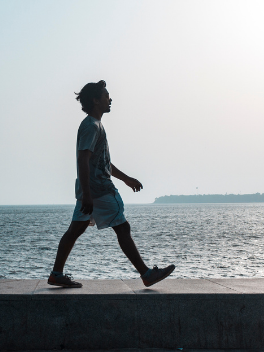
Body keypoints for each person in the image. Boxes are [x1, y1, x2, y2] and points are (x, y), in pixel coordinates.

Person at [48, 80, 175, 288]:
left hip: (91, 191)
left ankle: (56, 274)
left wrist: (125, 178)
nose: (110, 99)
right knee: (123, 228)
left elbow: (102, 161)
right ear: (96, 100)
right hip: (99, 191)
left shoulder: (95, 125)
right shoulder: (91, 126)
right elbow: (83, 160)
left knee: (75, 230)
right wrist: (88, 195)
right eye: (106, 96)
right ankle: (146, 273)